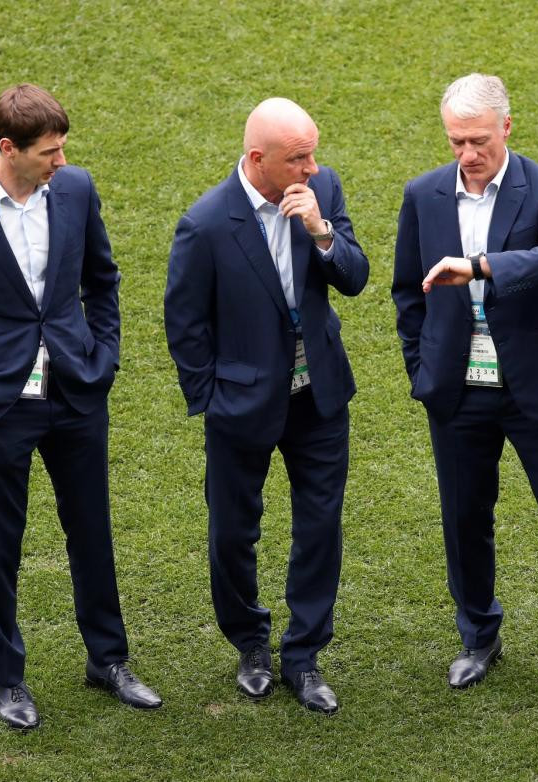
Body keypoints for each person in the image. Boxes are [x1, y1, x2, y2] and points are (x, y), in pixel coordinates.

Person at [0, 84, 161, 730]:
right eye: (50, 151)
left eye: (64, 147)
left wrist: (105, 358)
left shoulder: (76, 190)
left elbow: (104, 279)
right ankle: (7, 678)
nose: (62, 162)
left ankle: (108, 661)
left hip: (76, 389)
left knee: (92, 532)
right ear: (8, 148)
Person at [391, 73, 538, 697]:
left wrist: (479, 267)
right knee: (464, 518)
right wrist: (422, 367)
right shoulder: (423, 195)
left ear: (507, 128)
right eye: (455, 141)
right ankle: (478, 635)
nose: (467, 154)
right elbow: (404, 293)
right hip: (456, 390)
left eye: (478, 140)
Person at [164, 97, 368, 715]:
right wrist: (212, 400)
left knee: (319, 527)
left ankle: (303, 655)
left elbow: (354, 277)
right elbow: (184, 322)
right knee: (232, 532)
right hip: (241, 405)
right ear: (258, 159)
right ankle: (250, 644)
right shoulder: (205, 223)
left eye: (313, 153)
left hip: (319, 397)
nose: (311, 167)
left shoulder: (320, 188)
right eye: (297, 158)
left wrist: (321, 230)